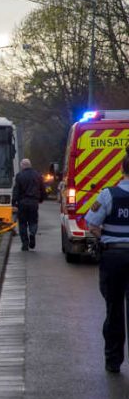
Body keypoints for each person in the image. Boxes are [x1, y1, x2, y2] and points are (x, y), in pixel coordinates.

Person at [86, 147, 129, 374]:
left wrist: (106, 238)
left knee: (114, 309)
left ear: (122, 169)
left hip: (114, 257)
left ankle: (113, 361)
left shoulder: (108, 195)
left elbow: (92, 224)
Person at [12, 158, 44, 251]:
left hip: (22, 203)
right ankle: (32, 233)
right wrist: (41, 199)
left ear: (22, 166)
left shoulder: (19, 176)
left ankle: (25, 244)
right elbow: (42, 188)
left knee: (22, 224)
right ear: (30, 165)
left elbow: (16, 190)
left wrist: (13, 202)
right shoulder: (37, 175)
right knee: (33, 221)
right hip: (33, 203)